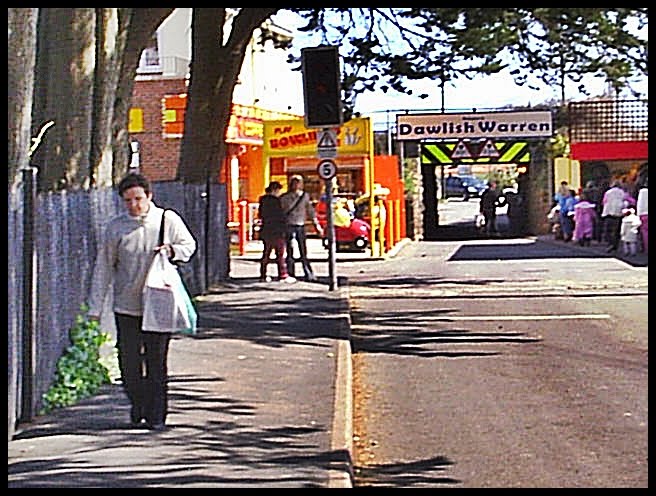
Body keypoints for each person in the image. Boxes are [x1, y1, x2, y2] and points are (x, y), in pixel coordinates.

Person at [87, 172, 197, 431]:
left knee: (157, 361)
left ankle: (156, 416)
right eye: (127, 201)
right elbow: (103, 267)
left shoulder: (166, 220)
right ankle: (139, 401)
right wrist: (95, 307)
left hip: (158, 304)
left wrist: (171, 251)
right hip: (127, 306)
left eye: (138, 198)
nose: (134, 205)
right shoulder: (116, 227)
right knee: (128, 363)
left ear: (149, 196)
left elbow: (188, 246)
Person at [280, 175, 323, 281]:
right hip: (289, 225)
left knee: (303, 251)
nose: (296, 185)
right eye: (295, 183)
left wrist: (316, 225)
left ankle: (307, 272)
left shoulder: (304, 196)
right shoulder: (284, 197)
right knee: (290, 251)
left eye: (298, 182)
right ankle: (291, 272)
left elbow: (310, 211)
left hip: (300, 225)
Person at [257, 181, 295, 283]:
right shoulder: (276, 201)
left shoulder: (262, 200)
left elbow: (261, 214)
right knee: (280, 253)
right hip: (277, 230)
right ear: (275, 190)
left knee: (266, 253)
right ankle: (282, 274)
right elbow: (280, 216)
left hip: (266, 229)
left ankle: (263, 274)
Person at [601, 180, 627, 253]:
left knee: (608, 230)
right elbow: (627, 200)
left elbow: (604, 201)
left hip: (608, 212)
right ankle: (615, 245)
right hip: (618, 213)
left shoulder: (608, 192)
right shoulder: (622, 192)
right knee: (616, 231)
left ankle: (610, 243)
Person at [636, 180, 648, 254]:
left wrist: (638, 214)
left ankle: (646, 247)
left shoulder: (643, 192)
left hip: (644, 213)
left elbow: (640, 204)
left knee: (645, 232)